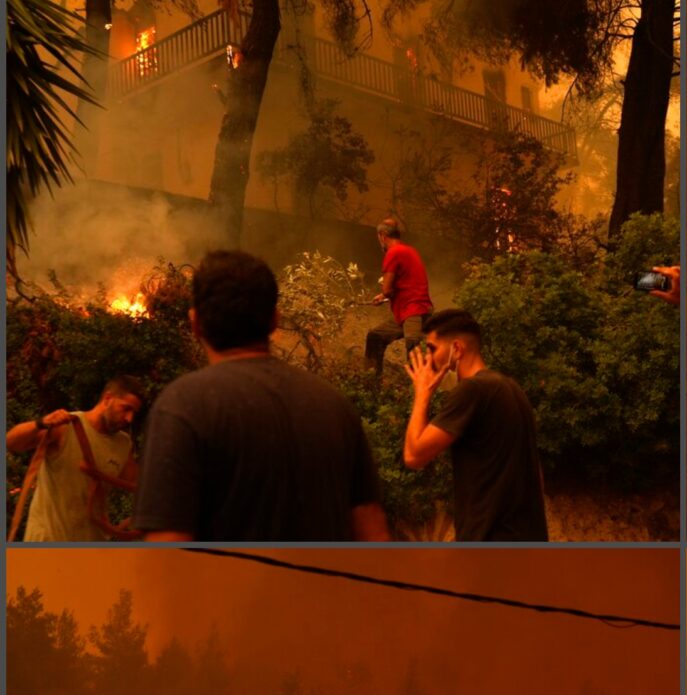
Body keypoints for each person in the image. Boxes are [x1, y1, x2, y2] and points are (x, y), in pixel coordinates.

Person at [133, 250, 389, 542]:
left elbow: (167, 554)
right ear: (274, 321)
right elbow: (374, 536)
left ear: (195, 324)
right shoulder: (334, 405)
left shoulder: (182, 406)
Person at [401, 309, 548, 541]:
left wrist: (422, 393)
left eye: (432, 348)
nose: (429, 359)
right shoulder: (513, 390)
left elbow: (414, 455)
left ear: (457, 349)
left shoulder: (472, 390)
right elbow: (536, 473)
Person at [5, 377, 146, 540]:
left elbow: (137, 485)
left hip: (90, 549)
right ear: (108, 399)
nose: (129, 418)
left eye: (134, 412)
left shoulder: (123, 443)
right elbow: (11, 442)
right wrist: (41, 423)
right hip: (48, 543)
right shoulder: (66, 426)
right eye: (126, 408)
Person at [365, 218, 433, 378]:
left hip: (413, 312)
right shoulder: (409, 250)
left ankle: (418, 393)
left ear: (382, 236)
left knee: (413, 351)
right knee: (376, 336)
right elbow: (402, 285)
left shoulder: (393, 252)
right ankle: (370, 382)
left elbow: (388, 289)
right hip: (410, 312)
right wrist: (383, 296)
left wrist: (384, 293)